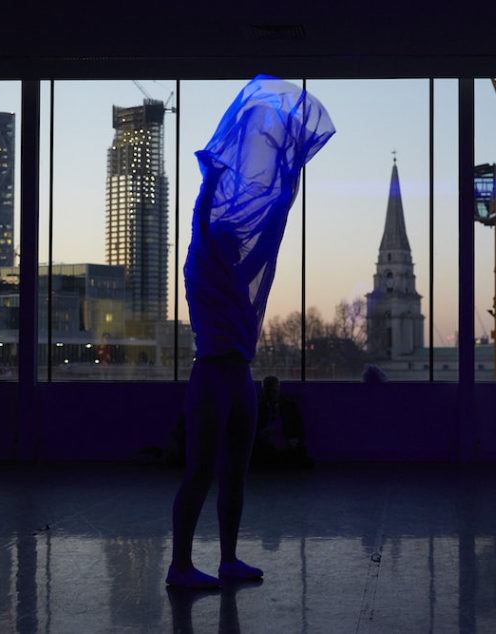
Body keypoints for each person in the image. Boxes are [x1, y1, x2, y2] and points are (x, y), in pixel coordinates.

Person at [166, 76, 334, 589]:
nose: (236, 236)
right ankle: (179, 565)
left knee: (236, 473)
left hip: (239, 377)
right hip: (213, 374)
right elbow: (201, 220)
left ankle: (228, 558)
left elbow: (273, 229)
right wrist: (213, 180)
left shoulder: (238, 276)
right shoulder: (202, 266)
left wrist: (289, 182)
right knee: (200, 472)